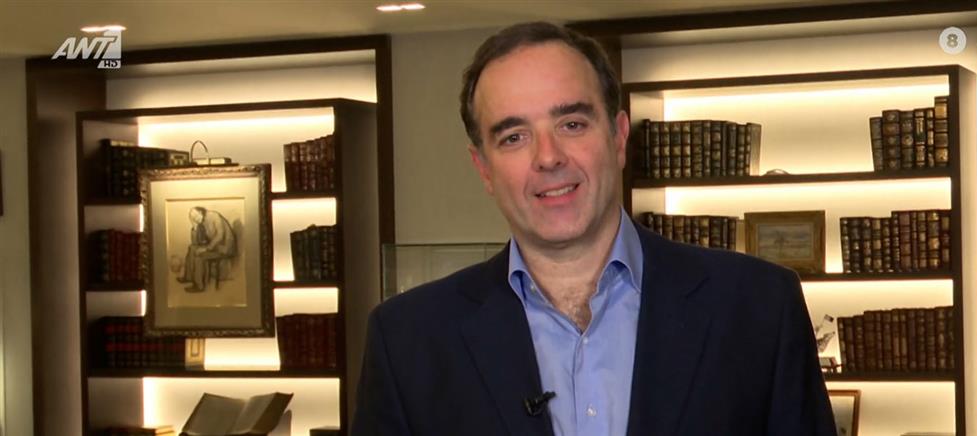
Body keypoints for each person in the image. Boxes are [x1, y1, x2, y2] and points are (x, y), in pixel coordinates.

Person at [352, 22, 836, 436]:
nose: (548, 157)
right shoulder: (407, 342)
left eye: (572, 124)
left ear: (619, 137)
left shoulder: (758, 308)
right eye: (514, 137)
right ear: (483, 168)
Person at [177, 206, 237, 292]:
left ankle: (199, 286)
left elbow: (220, 235)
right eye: (193, 218)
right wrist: (194, 227)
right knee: (192, 248)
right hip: (215, 246)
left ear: (201, 212)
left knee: (199, 254)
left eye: (196, 216)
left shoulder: (214, 216)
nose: (195, 219)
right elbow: (196, 242)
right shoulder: (201, 221)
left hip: (225, 247)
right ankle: (189, 277)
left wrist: (206, 248)